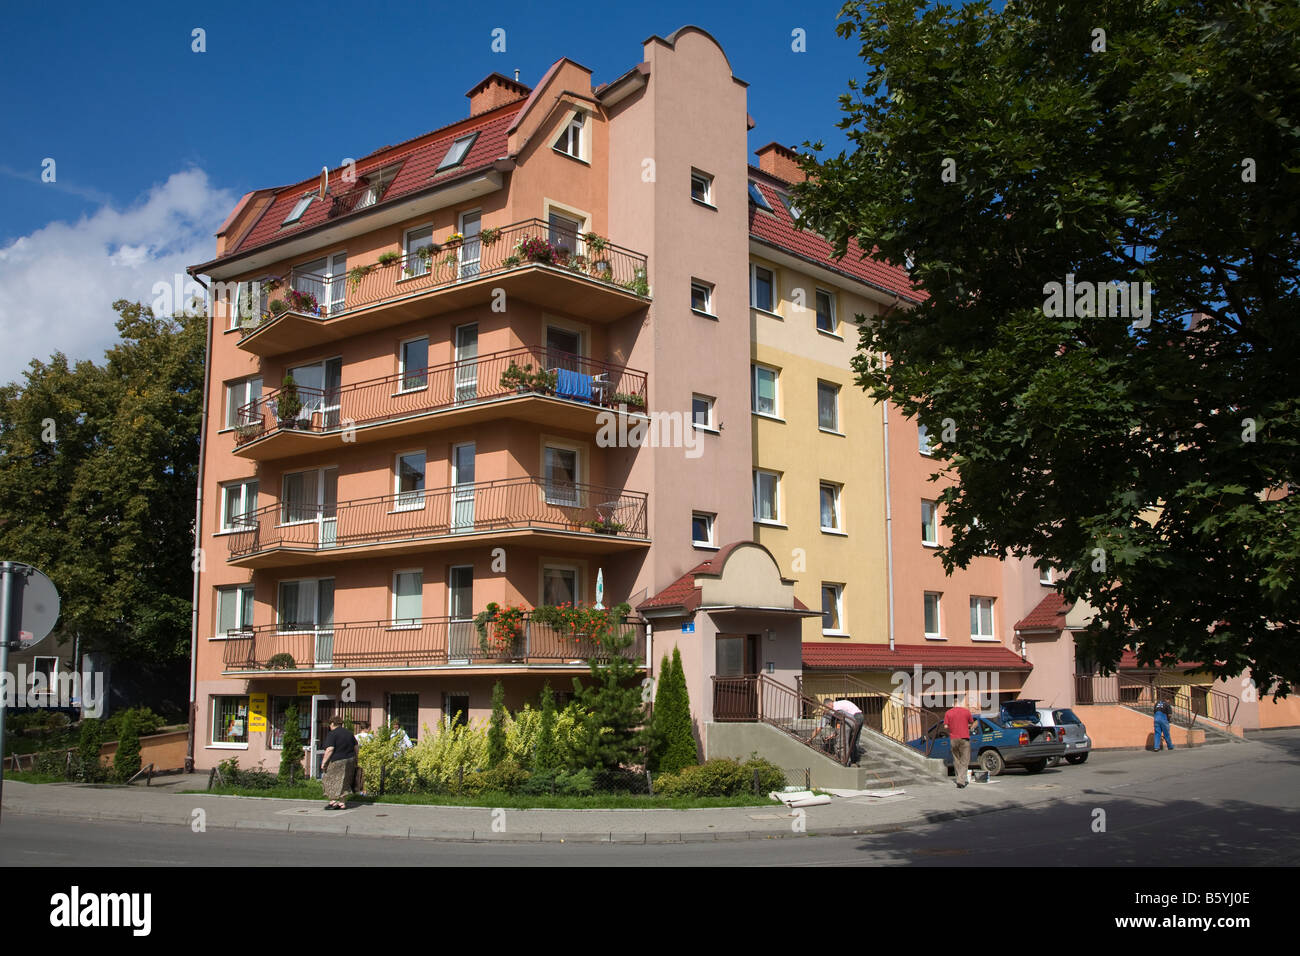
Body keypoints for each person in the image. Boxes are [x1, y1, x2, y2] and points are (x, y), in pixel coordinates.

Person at [320, 715, 358, 810]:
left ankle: (333, 802)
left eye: (330, 724)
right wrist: (356, 759)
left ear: (332, 723)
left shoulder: (332, 734)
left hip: (337, 760)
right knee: (344, 781)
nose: (330, 726)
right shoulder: (349, 733)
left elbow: (330, 749)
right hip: (350, 759)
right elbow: (356, 747)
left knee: (330, 780)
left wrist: (323, 763)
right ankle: (342, 803)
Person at [943, 695, 977, 788]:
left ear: (952, 704)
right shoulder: (966, 712)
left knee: (956, 759)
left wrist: (951, 730)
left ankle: (959, 778)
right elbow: (971, 723)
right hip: (964, 738)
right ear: (960, 703)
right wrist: (969, 727)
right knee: (964, 760)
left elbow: (945, 726)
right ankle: (961, 781)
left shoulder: (948, 713)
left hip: (953, 739)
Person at [831, 698, 865, 767]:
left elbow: (838, 720)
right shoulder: (839, 703)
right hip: (860, 715)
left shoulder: (836, 707)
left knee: (850, 740)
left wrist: (836, 731)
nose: (830, 709)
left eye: (829, 707)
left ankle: (852, 760)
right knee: (855, 739)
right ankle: (854, 759)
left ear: (830, 704)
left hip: (855, 717)